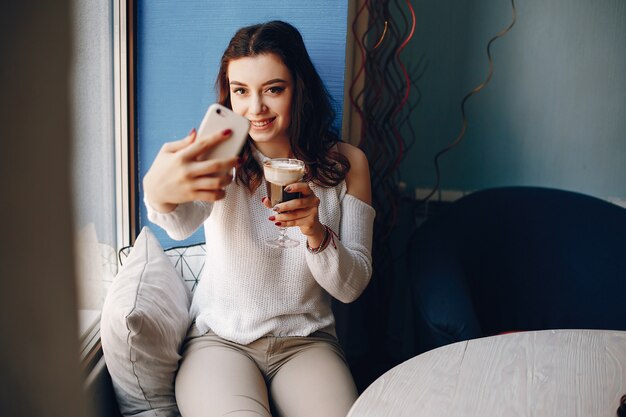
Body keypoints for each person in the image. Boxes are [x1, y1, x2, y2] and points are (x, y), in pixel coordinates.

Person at [143, 20, 375, 417]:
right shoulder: (223, 157)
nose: (255, 109)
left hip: (307, 343)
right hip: (220, 342)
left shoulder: (347, 164)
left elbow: (351, 286)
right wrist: (158, 192)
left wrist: (315, 231)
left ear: (298, 87)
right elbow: (180, 224)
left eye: (273, 89)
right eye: (240, 91)